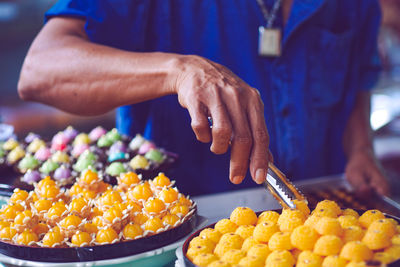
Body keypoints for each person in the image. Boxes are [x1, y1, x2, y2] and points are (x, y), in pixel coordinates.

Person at [18, 0, 389, 196]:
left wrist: (361, 150)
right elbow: (40, 70)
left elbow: (357, 75)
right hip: (178, 232)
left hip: (320, 222)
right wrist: (176, 70)